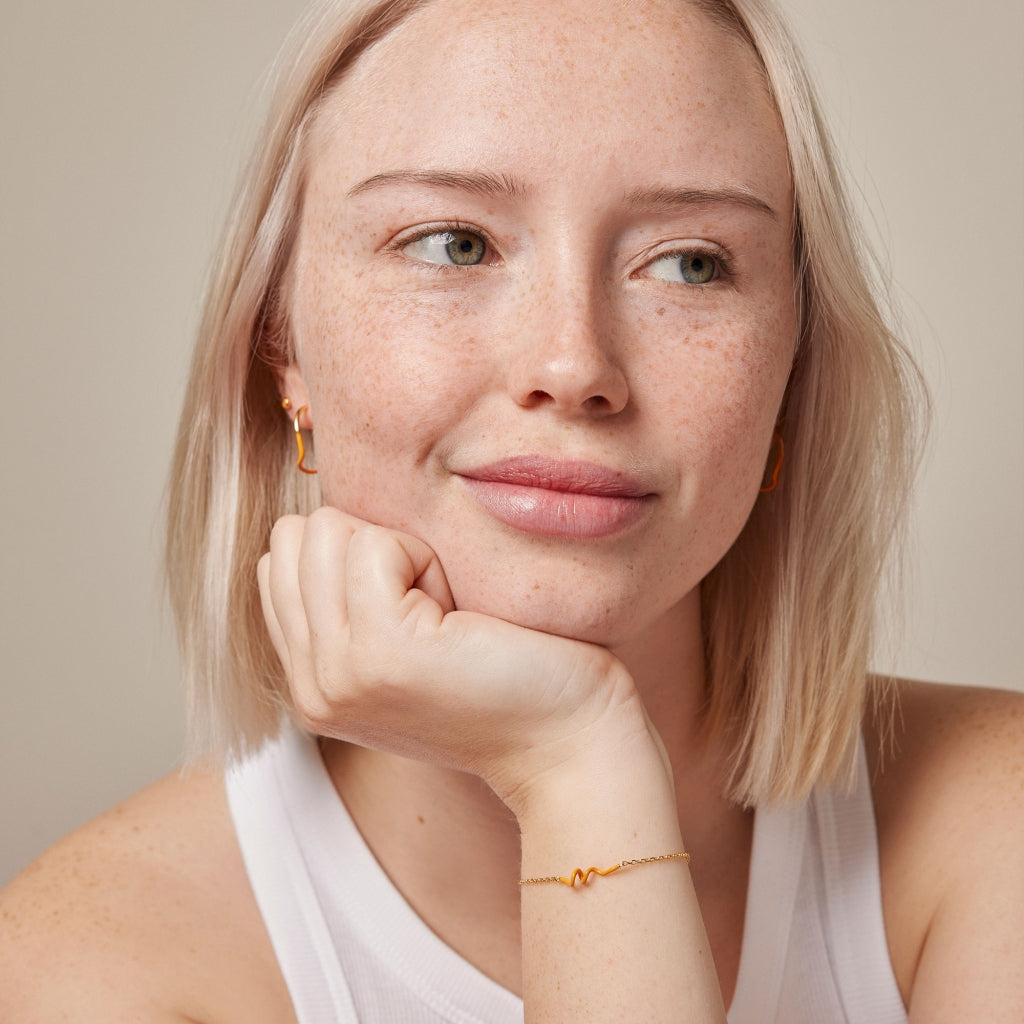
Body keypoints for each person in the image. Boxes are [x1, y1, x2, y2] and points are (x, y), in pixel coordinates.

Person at [1, 0, 1021, 1020]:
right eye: (453, 244)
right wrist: (574, 757)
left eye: (690, 261)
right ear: (283, 344)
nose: (572, 365)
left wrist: (575, 777)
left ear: (792, 369)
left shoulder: (993, 827)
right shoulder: (90, 968)